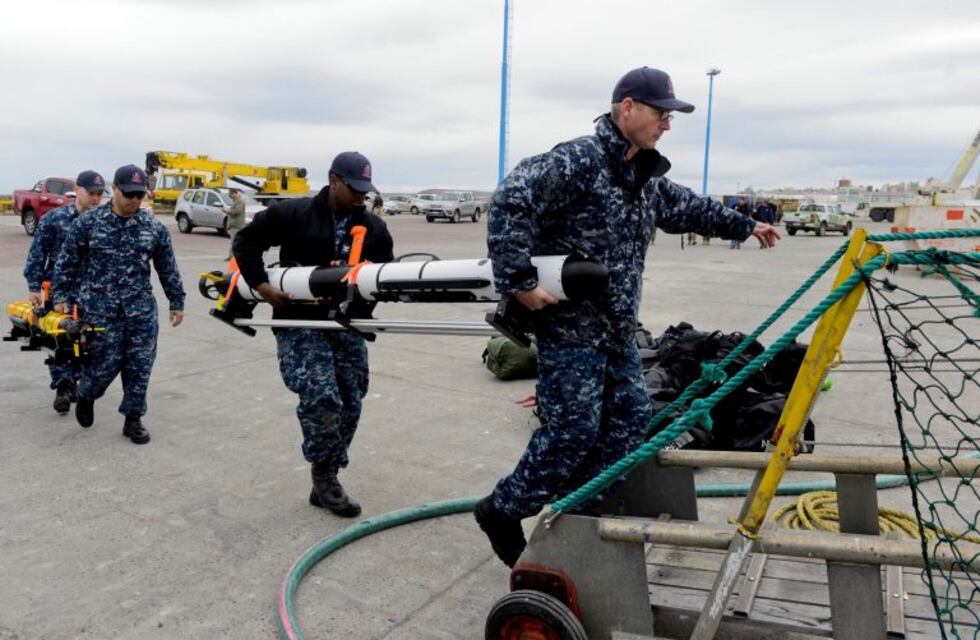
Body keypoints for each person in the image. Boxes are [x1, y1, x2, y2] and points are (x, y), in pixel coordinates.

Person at [475, 66, 780, 567]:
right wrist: (519, 280)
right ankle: (501, 510)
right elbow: (512, 199)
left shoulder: (644, 177)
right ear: (628, 108)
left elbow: (689, 209)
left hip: (618, 331)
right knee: (572, 431)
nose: (667, 124)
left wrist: (746, 225)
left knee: (631, 422)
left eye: (671, 116)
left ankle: (576, 517)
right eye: (661, 114)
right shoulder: (580, 159)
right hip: (571, 329)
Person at [233, 151, 394, 517]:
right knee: (321, 397)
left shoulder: (374, 227)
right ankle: (325, 476)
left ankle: (327, 472)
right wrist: (263, 287)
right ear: (333, 180)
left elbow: (383, 275)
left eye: (365, 191)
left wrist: (359, 299)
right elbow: (246, 241)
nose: (360, 197)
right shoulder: (294, 213)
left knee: (351, 399)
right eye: (354, 189)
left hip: (345, 323)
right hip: (299, 321)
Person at [52, 165, 185, 444]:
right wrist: (61, 296)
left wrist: (176, 300)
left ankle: (133, 419)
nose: (134, 200)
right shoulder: (88, 223)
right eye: (128, 194)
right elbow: (67, 261)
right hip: (101, 310)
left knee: (140, 366)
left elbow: (167, 267)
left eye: (139, 195)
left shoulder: (153, 228)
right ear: (114, 189)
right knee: (102, 366)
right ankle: (87, 393)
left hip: (141, 310)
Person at [23, 170, 106, 414]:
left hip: (92, 293)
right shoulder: (55, 219)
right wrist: (34, 286)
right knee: (60, 338)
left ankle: (78, 382)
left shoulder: (104, 222)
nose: (96, 198)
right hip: (59, 290)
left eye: (100, 194)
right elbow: (38, 253)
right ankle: (63, 385)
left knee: (87, 340)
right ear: (77, 190)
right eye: (91, 193)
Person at [223, 188, 247, 260]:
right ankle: (232, 256)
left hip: (237, 225)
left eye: (230, 195)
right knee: (234, 242)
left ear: (234, 193)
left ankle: (233, 257)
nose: (230, 196)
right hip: (234, 225)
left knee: (235, 242)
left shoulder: (239, 201)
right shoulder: (236, 201)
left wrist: (227, 211)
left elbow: (237, 211)